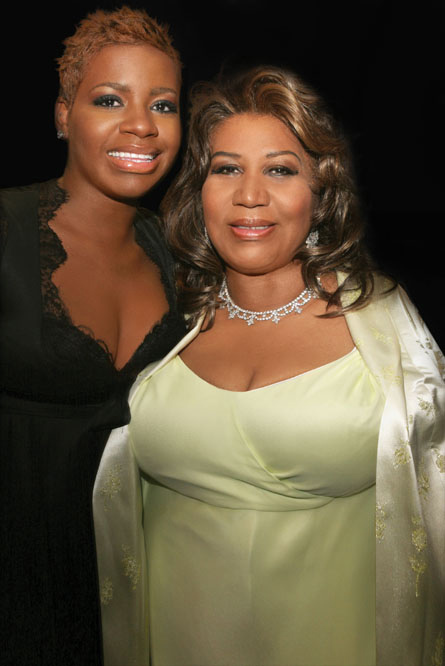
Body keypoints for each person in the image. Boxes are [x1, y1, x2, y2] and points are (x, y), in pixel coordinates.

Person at [93, 67, 445, 666]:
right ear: (198, 190)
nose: (250, 195)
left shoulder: (386, 325)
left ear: (321, 193)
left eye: (280, 170)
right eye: (226, 169)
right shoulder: (163, 317)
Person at [0, 6, 187, 665]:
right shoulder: (7, 228)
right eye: (110, 99)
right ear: (62, 114)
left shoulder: (181, 257)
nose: (141, 125)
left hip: (128, 585)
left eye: (162, 105)